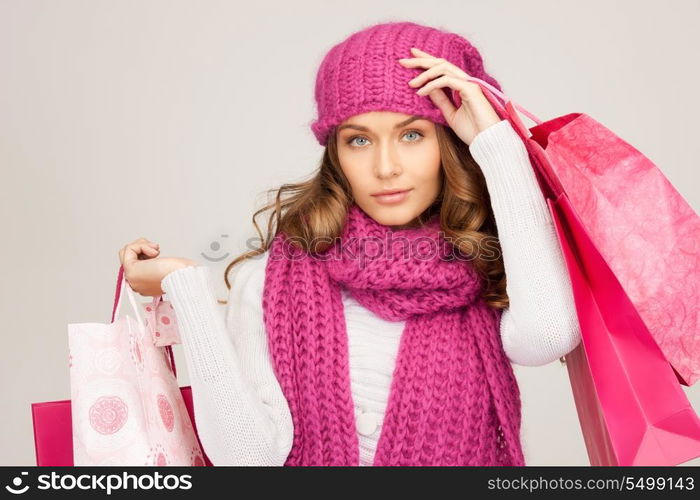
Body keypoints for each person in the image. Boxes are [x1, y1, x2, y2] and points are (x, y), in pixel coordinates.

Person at [118, 21, 582, 466]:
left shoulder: (484, 266)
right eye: (359, 140)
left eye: (413, 135)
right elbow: (248, 458)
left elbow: (548, 336)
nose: (385, 167)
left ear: (450, 140)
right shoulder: (271, 280)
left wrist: (495, 144)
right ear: (335, 153)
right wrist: (186, 289)